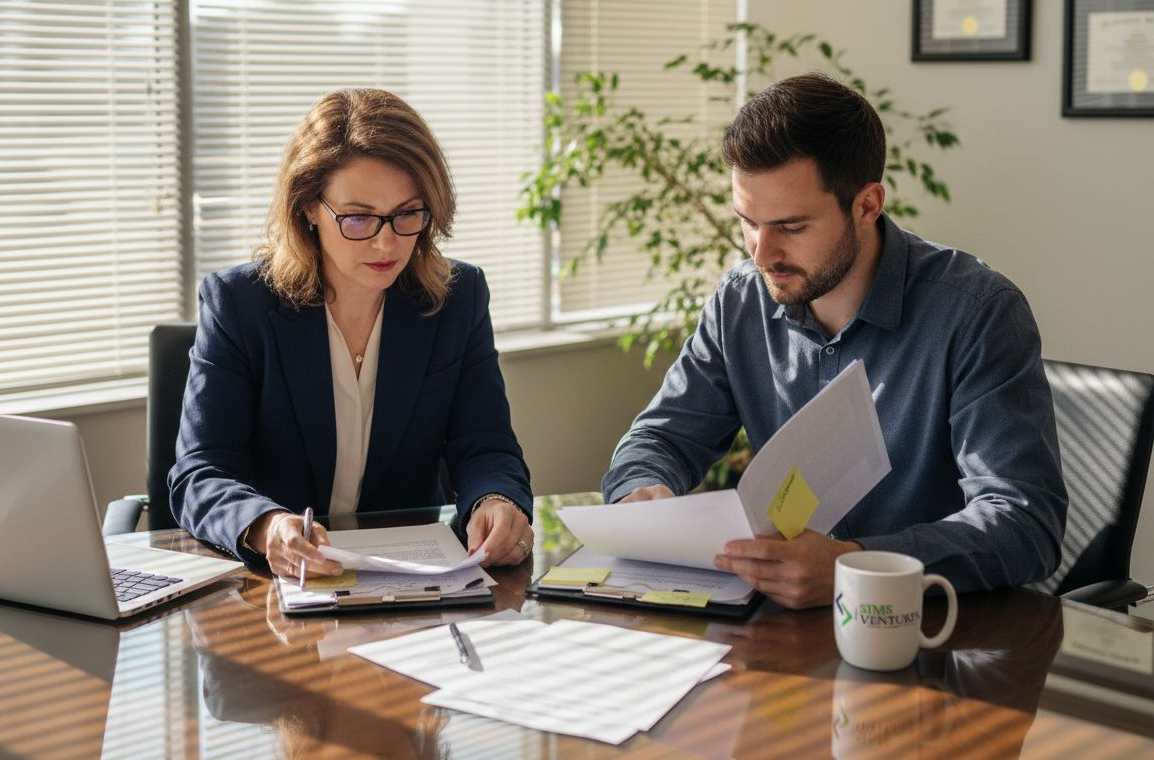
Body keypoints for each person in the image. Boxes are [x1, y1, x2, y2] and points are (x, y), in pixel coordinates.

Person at [602, 73, 1067, 609]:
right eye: (748, 222)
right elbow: (659, 439)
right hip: (780, 629)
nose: (761, 253)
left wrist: (857, 564)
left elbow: (1024, 522)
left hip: (935, 630)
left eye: (791, 227)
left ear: (867, 205)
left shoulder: (977, 313)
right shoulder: (741, 300)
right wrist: (643, 492)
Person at [169, 88, 534, 579]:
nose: (387, 243)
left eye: (407, 213)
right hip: (276, 588)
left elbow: (486, 445)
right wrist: (266, 526)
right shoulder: (239, 304)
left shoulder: (457, 298)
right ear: (308, 207)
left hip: (412, 577)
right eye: (359, 218)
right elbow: (201, 472)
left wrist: (496, 500)